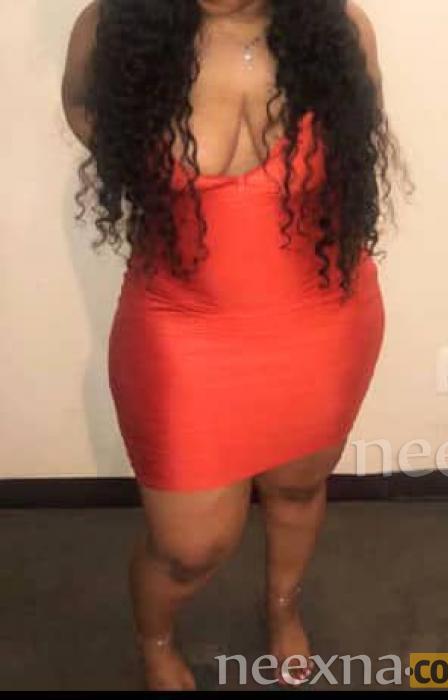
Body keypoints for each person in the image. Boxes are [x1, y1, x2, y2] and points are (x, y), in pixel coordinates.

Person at [61, 0, 410, 691]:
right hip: (181, 329)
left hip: (321, 321)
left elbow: (358, 137)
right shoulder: (114, 28)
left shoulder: (341, 31)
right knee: (189, 547)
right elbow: (82, 108)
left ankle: (282, 606)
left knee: (297, 489)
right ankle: (156, 640)